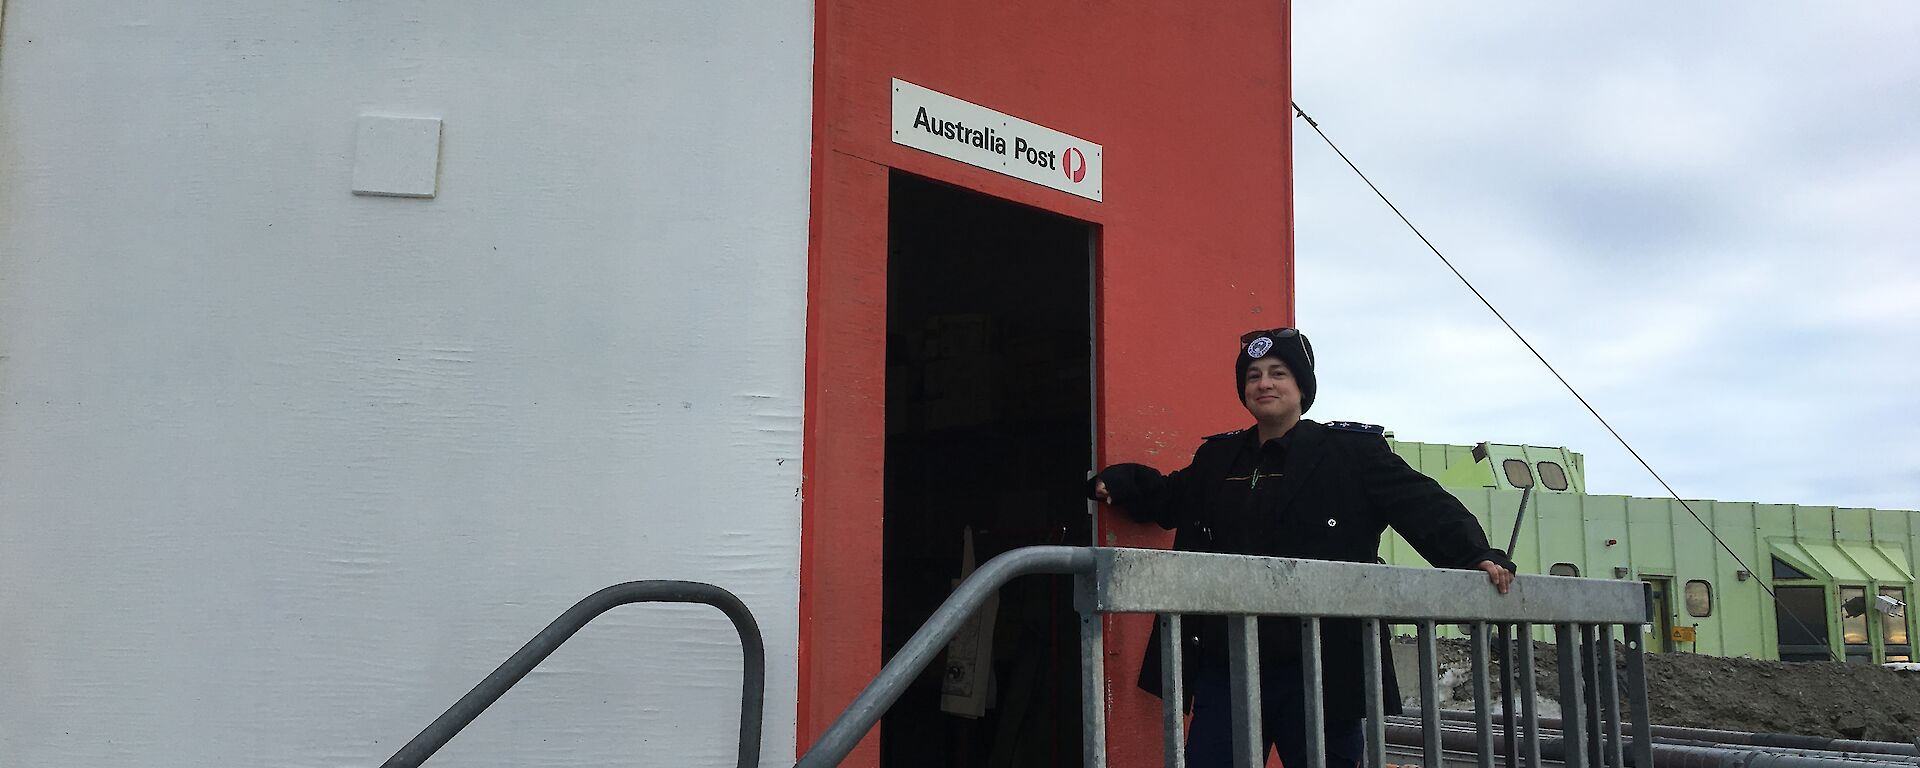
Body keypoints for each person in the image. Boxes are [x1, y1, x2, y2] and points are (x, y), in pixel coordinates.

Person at [1089, 327, 1516, 768]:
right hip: (1229, 666)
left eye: (1278, 373)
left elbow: (1423, 504)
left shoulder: (1351, 454)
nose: (1264, 384)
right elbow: (1170, 498)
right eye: (1253, 376)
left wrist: (1473, 554)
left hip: (1321, 668)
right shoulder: (1219, 459)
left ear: (1302, 386)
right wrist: (1120, 483)